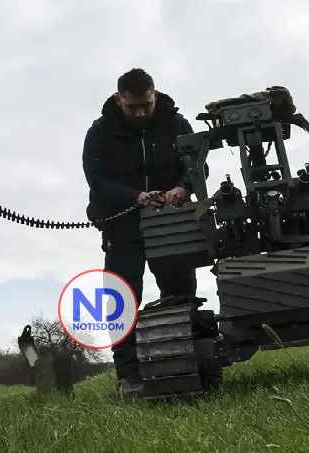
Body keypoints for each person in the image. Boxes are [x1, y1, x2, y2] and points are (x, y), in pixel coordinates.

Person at [82, 68, 207, 397]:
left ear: (155, 95)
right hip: (123, 225)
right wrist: (136, 197)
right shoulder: (99, 132)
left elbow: (198, 165)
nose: (140, 113)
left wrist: (183, 188)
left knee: (181, 293)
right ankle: (130, 376)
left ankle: (189, 365)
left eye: (146, 105)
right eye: (132, 107)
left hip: (170, 223)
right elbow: (97, 180)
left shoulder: (177, 125)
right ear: (118, 99)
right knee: (121, 299)